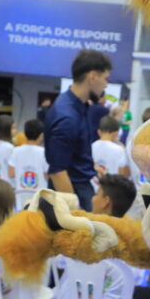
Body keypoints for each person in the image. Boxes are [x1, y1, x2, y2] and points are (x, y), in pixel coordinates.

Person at [44, 50, 112, 211]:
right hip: (72, 191)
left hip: (79, 186)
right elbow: (58, 172)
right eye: (105, 78)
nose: (106, 85)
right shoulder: (67, 116)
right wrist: (75, 213)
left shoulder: (77, 106)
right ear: (93, 77)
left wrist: (87, 165)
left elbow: (70, 154)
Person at [8, 119, 49, 198]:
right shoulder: (44, 152)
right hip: (39, 195)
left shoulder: (15, 151)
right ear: (41, 135)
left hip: (20, 193)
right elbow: (47, 175)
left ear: (25, 133)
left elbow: (11, 174)